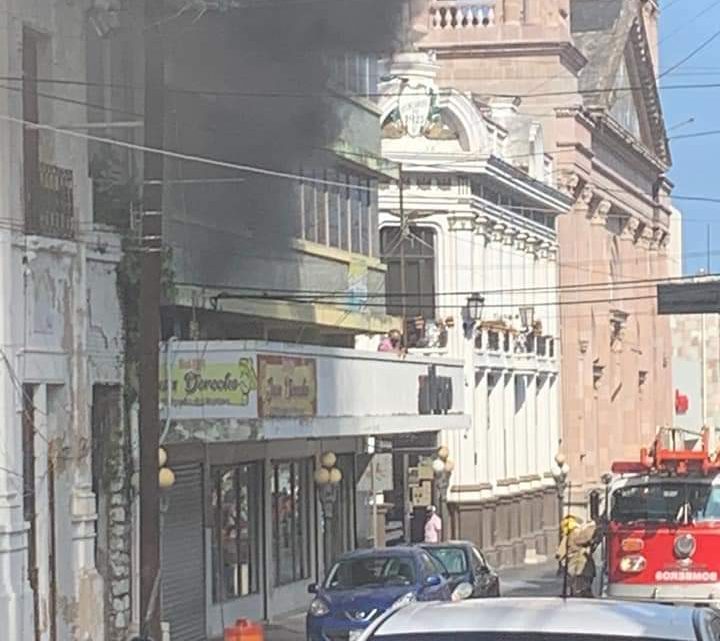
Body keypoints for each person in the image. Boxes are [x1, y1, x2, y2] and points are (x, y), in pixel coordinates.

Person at [555, 515, 599, 597]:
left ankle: (582, 591)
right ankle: (581, 592)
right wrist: (592, 527)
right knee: (579, 582)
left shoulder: (570, 534)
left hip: (579, 563)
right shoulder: (574, 533)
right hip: (577, 563)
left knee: (580, 581)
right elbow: (584, 539)